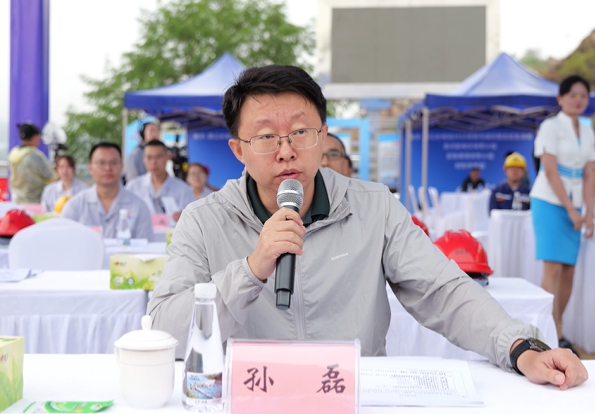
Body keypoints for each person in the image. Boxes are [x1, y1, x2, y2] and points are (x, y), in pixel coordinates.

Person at [148, 65, 587, 389]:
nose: (286, 151)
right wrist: (251, 269)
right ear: (238, 150)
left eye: (300, 132)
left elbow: (443, 290)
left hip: (353, 394)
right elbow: (166, 329)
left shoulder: (373, 207)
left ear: (323, 136)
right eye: (265, 137)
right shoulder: (204, 220)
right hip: (253, 395)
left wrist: (520, 347)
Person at [529, 75, 595, 354]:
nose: (578, 100)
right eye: (572, 94)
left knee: (568, 269)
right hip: (549, 200)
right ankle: (550, 332)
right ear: (560, 98)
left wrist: (589, 212)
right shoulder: (550, 126)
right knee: (553, 267)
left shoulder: (588, 130)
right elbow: (550, 170)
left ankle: (558, 325)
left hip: (577, 204)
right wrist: (570, 209)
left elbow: (589, 173)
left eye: (583, 95)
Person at [62, 142, 153, 240]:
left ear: (121, 167)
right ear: (90, 168)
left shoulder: (139, 207)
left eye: (113, 163)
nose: (108, 168)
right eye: (101, 163)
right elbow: (64, 243)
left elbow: (146, 247)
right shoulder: (75, 206)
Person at [126, 140, 194, 223]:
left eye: (158, 157)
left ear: (167, 157)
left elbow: (192, 220)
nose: (154, 162)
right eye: (149, 157)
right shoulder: (133, 187)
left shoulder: (184, 190)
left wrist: (184, 218)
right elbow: (125, 216)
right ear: (143, 160)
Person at [8, 122, 56, 204]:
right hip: (36, 201)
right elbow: (52, 176)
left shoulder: (13, 153)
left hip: (18, 200)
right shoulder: (35, 156)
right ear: (35, 137)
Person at [124, 117, 161, 182]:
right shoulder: (136, 153)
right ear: (143, 134)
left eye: (156, 130)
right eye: (151, 130)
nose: (155, 134)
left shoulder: (161, 152)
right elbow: (132, 179)